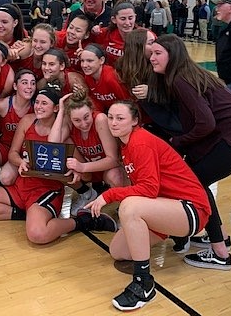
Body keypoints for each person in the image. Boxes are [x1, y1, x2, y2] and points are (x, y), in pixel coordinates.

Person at [146, 34, 231, 270]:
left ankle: (220, 253)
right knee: (198, 181)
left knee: (194, 183)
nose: (152, 58)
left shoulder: (181, 80)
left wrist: (178, 142)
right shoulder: (188, 74)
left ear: (173, 55)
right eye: (151, 53)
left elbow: (206, 123)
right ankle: (220, 238)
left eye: (157, 53)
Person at [86, 100, 211, 311]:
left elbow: (149, 189)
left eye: (120, 118)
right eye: (111, 118)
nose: (113, 123)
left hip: (191, 208)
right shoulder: (127, 145)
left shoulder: (140, 142)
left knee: (129, 207)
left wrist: (109, 195)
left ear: (135, 120)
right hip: (165, 205)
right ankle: (173, 232)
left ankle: (144, 283)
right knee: (118, 251)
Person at [0, 87, 118, 244]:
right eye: (37, 102)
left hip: (46, 190)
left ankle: (83, 222)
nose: (38, 106)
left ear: (55, 108)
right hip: (23, 184)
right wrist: (20, 162)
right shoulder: (28, 121)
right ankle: (27, 214)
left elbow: (79, 168)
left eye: (44, 103)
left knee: (37, 235)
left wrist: (73, 169)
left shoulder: (64, 130)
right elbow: (13, 153)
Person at [49, 91, 124, 216]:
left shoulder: (100, 119)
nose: (83, 124)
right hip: (87, 171)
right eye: (77, 120)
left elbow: (113, 160)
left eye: (86, 117)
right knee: (59, 155)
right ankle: (86, 193)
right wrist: (61, 111)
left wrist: (82, 167)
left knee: (114, 176)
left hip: (107, 168)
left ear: (91, 110)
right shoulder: (69, 122)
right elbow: (52, 144)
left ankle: (124, 204)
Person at [0, 69, 36, 186]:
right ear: (15, 86)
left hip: (25, 152)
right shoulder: (3, 104)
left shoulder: (37, 107)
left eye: (33, 83)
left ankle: (15, 186)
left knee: (7, 178)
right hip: (4, 147)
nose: (29, 87)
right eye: (24, 82)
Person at [79, 44, 130, 113]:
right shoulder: (88, 76)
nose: (84, 65)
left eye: (90, 61)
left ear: (102, 60)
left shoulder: (110, 78)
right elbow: (96, 102)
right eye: (82, 61)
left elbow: (127, 102)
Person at [90, 1, 137, 66]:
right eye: (123, 19)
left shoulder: (145, 36)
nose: (127, 23)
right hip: (110, 73)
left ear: (135, 17)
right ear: (114, 20)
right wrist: (93, 31)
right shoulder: (105, 33)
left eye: (130, 18)